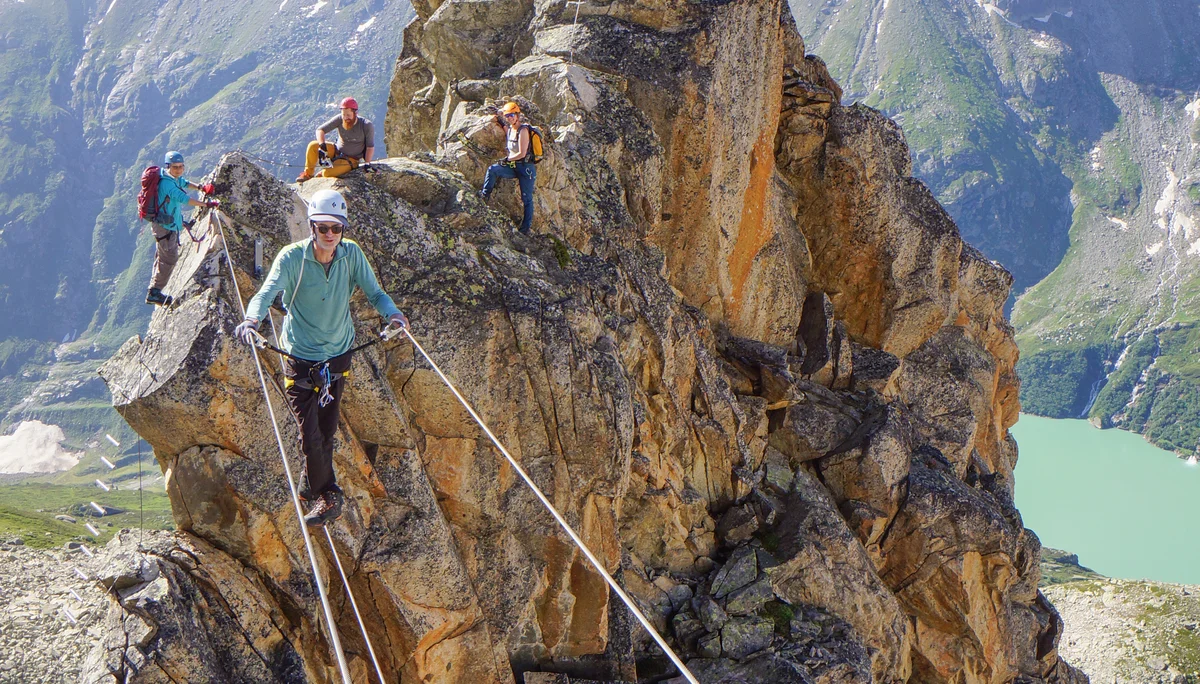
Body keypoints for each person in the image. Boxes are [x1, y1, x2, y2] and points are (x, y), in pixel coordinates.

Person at [233, 188, 408, 527]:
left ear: (343, 230)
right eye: (323, 228)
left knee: (326, 431)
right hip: (299, 357)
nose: (330, 235)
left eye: (336, 229)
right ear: (311, 227)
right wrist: (251, 320)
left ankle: (307, 485)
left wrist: (394, 314)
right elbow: (266, 292)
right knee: (309, 432)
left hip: (338, 357)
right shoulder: (292, 258)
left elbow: (375, 293)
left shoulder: (351, 255)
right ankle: (328, 495)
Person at [147, 151, 218, 306]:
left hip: (167, 224)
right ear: (168, 167)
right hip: (164, 228)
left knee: (162, 255)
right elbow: (184, 199)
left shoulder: (173, 178)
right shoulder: (167, 184)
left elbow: (184, 182)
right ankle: (155, 292)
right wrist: (207, 204)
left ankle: (154, 287)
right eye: (175, 167)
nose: (178, 170)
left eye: (180, 167)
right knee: (169, 258)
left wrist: (200, 187)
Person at [479, 101, 537, 235]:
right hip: (514, 166)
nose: (510, 117)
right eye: (508, 116)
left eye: (512, 115)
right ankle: (484, 195)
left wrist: (507, 159)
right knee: (493, 170)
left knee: (526, 198)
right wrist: (498, 117)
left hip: (526, 168)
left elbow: (522, 153)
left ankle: (525, 228)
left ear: (517, 115)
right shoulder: (510, 129)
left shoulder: (523, 131)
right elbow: (505, 126)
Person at [296, 97, 375, 182]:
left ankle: (322, 173)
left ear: (355, 113)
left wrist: (367, 163)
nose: (345, 118)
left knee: (327, 173)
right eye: (343, 115)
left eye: (348, 115)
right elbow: (320, 130)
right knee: (312, 146)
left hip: (352, 159)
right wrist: (322, 144)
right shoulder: (340, 119)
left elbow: (370, 147)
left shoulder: (366, 125)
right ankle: (308, 174)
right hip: (336, 151)